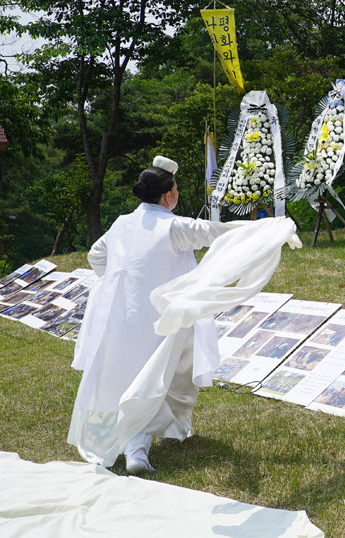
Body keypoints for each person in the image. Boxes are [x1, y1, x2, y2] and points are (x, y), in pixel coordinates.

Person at [69, 156, 240, 475]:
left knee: (127, 377)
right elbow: (216, 232)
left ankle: (156, 433)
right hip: (162, 322)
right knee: (157, 376)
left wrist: (116, 283)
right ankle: (138, 450)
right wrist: (265, 228)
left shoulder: (121, 223)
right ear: (169, 195)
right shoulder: (174, 226)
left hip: (122, 318)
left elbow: (96, 255)